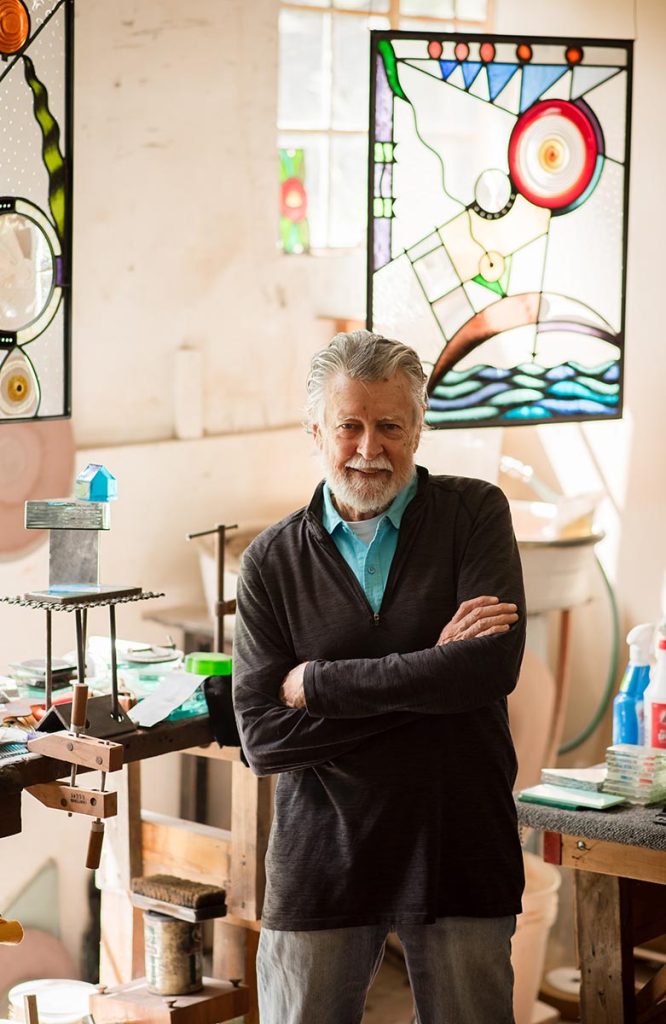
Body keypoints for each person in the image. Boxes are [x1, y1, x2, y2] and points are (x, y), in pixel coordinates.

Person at [232, 330, 526, 1024]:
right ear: (315, 430)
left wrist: (323, 686)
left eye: (391, 425)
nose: (370, 448)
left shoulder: (475, 515)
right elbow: (263, 738)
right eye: (350, 426)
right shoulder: (270, 562)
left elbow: (489, 670)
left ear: (420, 428)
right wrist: (435, 674)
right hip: (321, 857)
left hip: (458, 841)